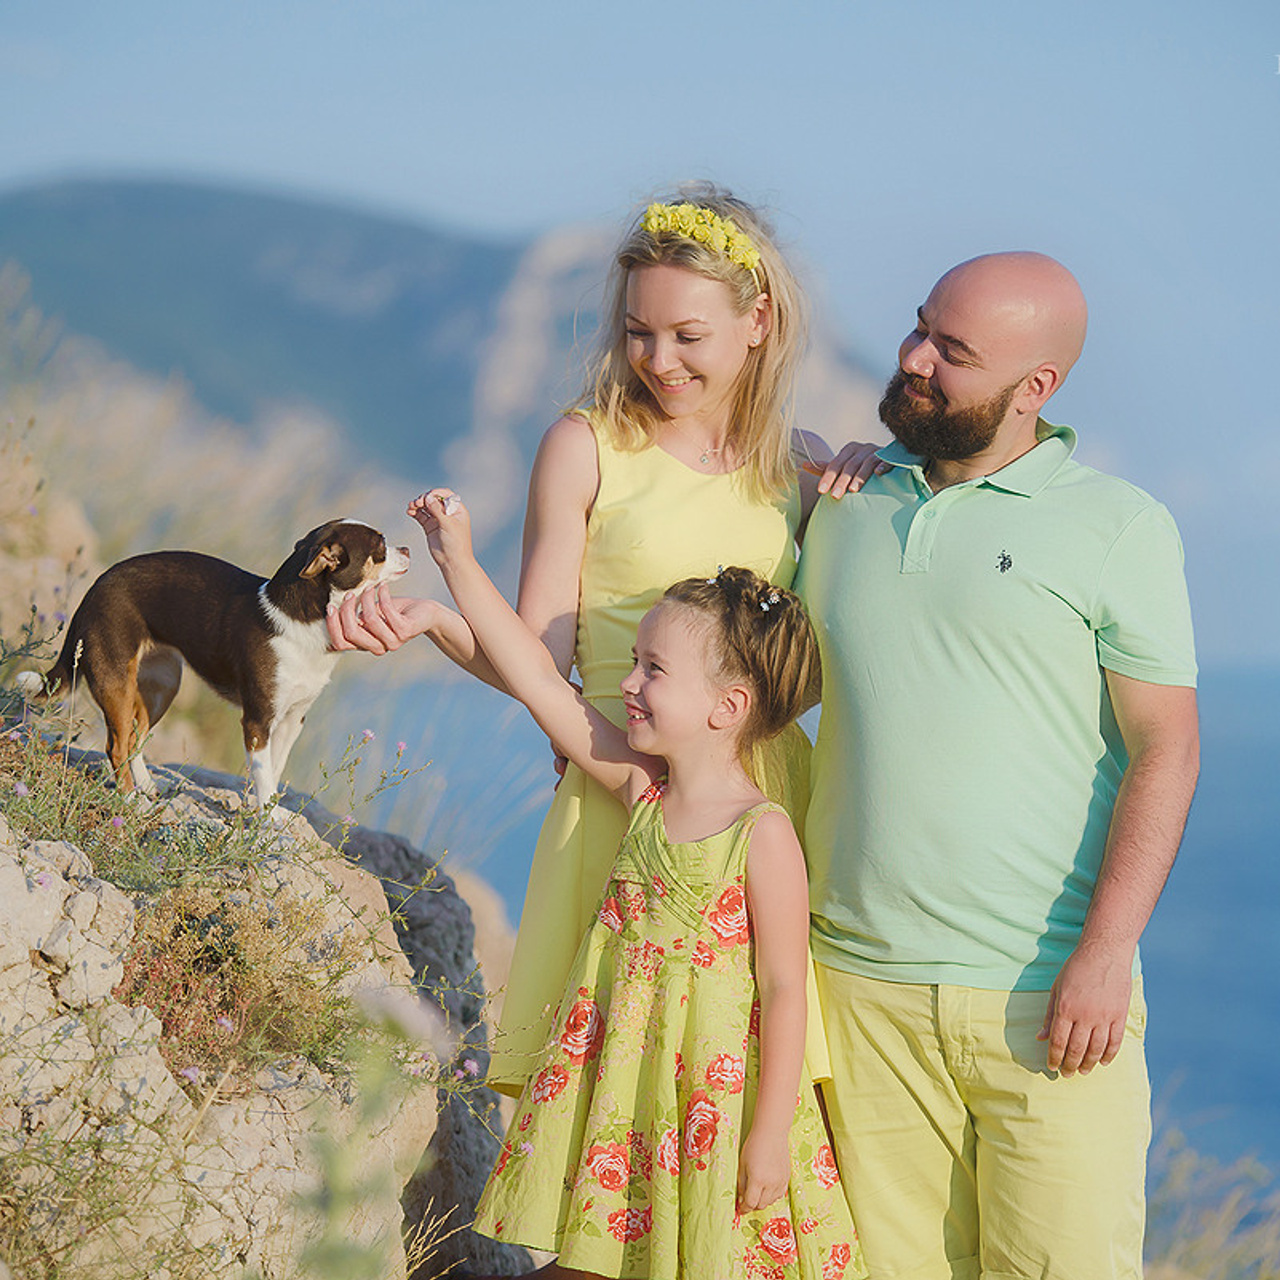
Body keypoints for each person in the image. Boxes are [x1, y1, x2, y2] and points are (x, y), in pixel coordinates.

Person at [327, 186, 877, 1095]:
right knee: (615, 1096)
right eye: (639, 332)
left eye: (688, 336)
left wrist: (870, 480)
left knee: (745, 1083)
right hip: (618, 782)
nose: (660, 360)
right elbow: (534, 660)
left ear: (758, 322)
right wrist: (433, 620)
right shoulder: (586, 447)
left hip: (764, 799)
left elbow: (821, 655)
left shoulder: (801, 466)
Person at [799, 251, 1200, 1278]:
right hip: (855, 995)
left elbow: (1165, 747)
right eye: (919, 326)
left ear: (1035, 390)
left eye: (953, 351)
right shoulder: (841, 502)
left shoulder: (1117, 525)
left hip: (1048, 998)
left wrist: (1106, 951)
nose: (913, 358)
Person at [410, 483, 865, 1280]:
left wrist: (766, 1134)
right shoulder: (637, 792)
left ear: (728, 706)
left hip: (716, 1111)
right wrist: (457, 561)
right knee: (595, 1256)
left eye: (653, 669)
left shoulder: (761, 834)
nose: (626, 682)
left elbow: (786, 987)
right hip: (629, 1084)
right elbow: (542, 684)